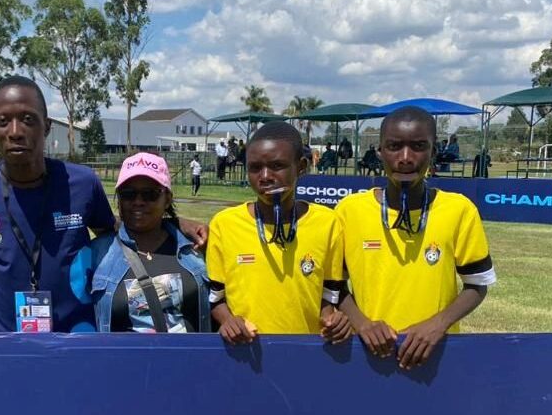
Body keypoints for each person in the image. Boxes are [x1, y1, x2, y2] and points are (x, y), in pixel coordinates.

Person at [0, 75, 206, 340]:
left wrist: (173, 223)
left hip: (78, 339)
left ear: (47, 126)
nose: (15, 131)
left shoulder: (82, 182)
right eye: (3, 121)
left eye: (28, 119)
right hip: (10, 343)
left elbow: (115, 231)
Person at [335, 106, 496, 370]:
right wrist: (362, 324)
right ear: (380, 151)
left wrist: (438, 324)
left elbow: (477, 284)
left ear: (433, 152)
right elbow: (334, 285)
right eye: (394, 146)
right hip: (369, 354)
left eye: (419, 146)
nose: (406, 157)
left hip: (436, 353)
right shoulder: (349, 211)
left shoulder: (459, 210)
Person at [206, 121, 349, 345]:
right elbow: (216, 299)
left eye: (277, 166)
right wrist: (229, 321)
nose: (265, 176)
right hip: (247, 352)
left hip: (306, 352)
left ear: (301, 166)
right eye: (255, 167)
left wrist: (333, 320)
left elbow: (330, 295)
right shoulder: (224, 224)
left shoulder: (327, 223)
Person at [87, 153, 210, 333]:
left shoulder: (196, 246)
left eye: (150, 194)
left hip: (190, 352)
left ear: (167, 199)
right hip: (119, 353)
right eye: (128, 194)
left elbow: (219, 300)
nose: (138, 202)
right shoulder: (97, 253)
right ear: (118, 199)